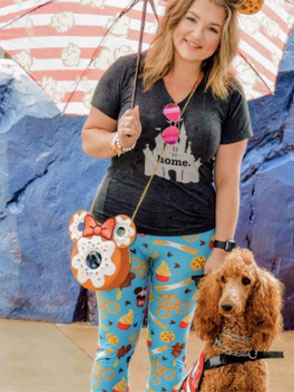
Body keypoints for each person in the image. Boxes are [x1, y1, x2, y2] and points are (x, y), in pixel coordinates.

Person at [80, 0, 252, 390]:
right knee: (114, 346)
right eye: (191, 20)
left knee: (169, 349)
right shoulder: (128, 71)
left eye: (212, 28)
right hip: (118, 234)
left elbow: (227, 180)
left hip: (188, 241)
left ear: (223, 37)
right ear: (173, 19)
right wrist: (117, 140)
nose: (198, 35)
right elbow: (90, 139)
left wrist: (221, 248)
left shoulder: (228, 93)